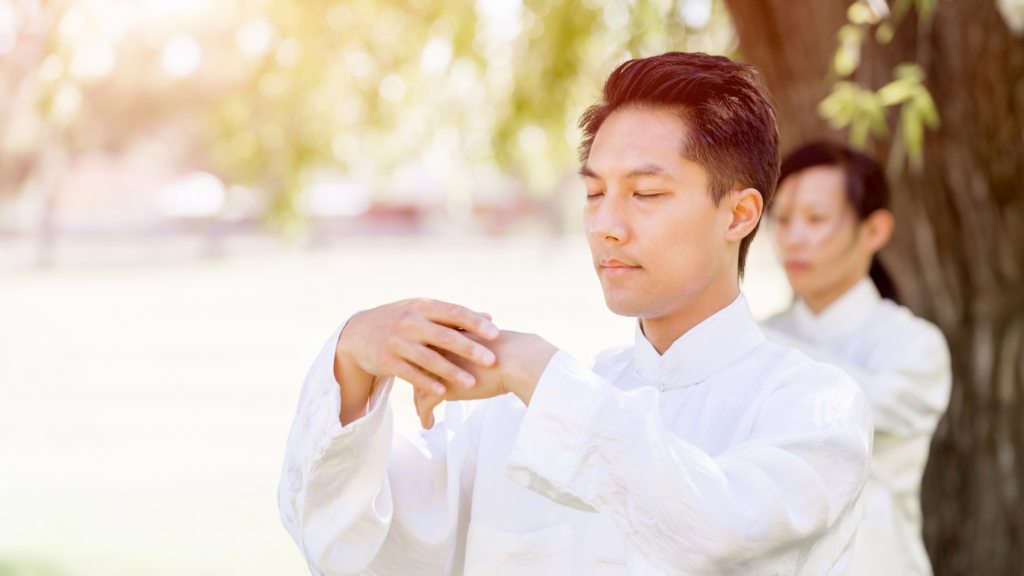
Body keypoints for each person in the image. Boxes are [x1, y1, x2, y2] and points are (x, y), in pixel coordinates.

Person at [279, 53, 873, 576]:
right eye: (594, 193)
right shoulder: (517, 412)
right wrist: (352, 358)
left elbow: (712, 532)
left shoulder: (813, 407)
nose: (606, 226)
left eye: (646, 194)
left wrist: (535, 369)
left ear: (739, 215)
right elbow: (357, 551)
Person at [760, 142, 951, 576]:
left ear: (874, 231)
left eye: (816, 218)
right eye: (783, 218)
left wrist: (753, 343)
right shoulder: (764, 335)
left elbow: (850, 408)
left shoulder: (914, 345)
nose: (792, 237)